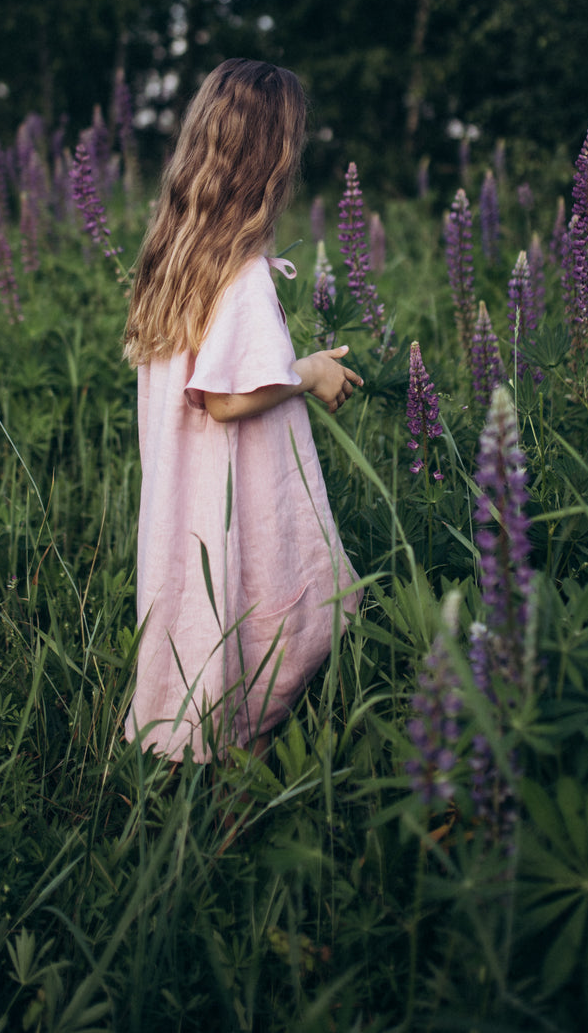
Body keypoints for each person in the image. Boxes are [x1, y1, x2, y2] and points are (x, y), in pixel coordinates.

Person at [123, 59, 364, 761]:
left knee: (203, 622)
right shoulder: (244, 277)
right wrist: (308, 372)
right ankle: (242, 777)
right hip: (235, 503)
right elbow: (228, 399)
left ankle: (202, 755)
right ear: (273, 165)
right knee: (268, 620)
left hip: (185, 508)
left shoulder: (173, 258)